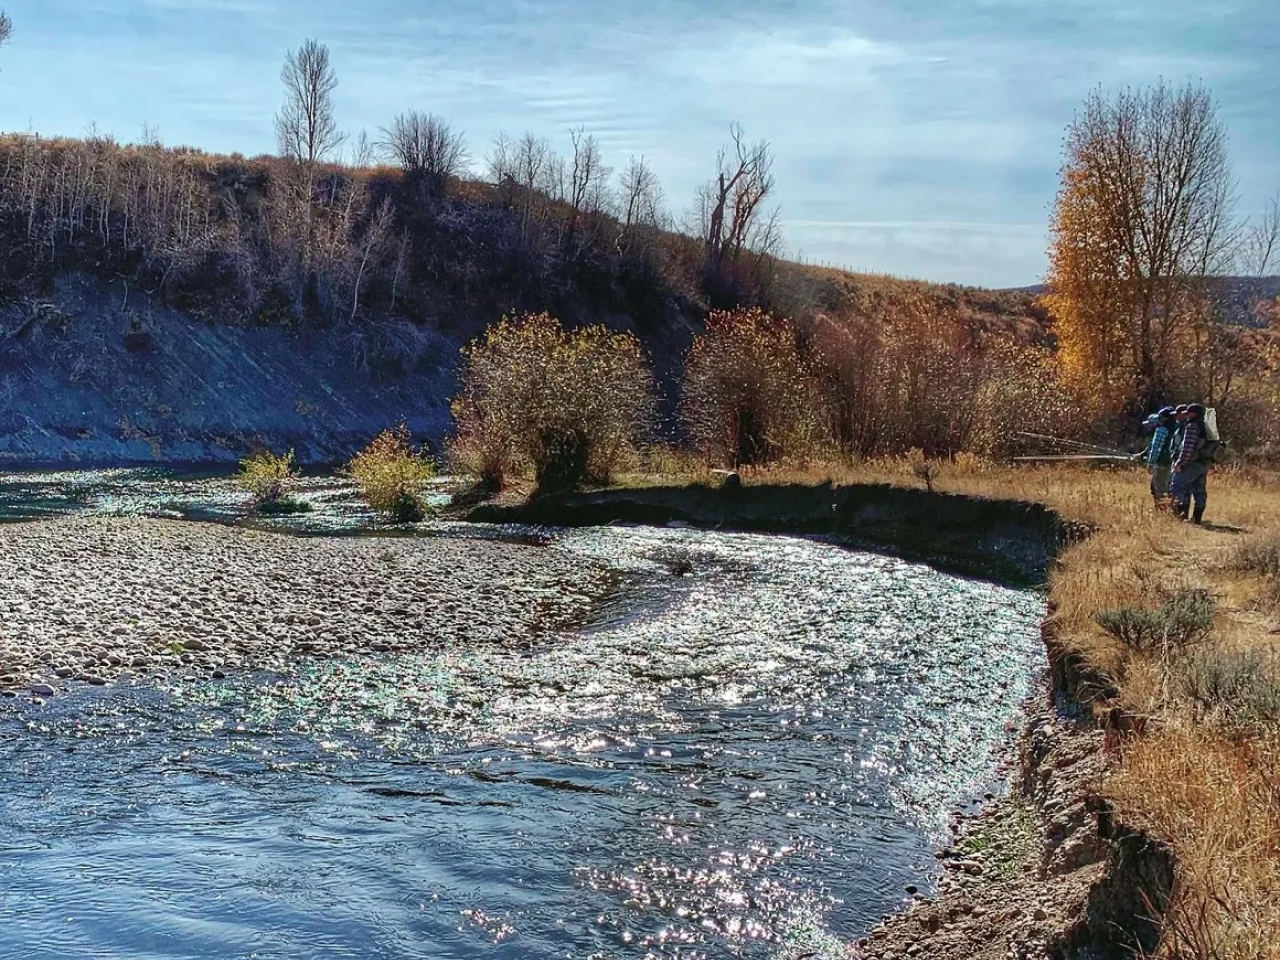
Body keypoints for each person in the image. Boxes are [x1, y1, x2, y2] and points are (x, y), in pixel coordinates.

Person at [1170, 404, 1210, 524]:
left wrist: (1180, 463)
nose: (1187, 414)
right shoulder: (1206, 428)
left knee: (1176, 485)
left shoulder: (1192, 426)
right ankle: (1196, 518)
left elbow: (1188, 447)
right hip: (1203, 463)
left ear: (1194, 414)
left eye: (1189, 412)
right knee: (1199, 490)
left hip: (1191, 463)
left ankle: (1180, 516)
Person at [1140, 406, 1177, 506]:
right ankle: (1172, 508)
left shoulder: (1162, 429)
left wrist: (1150, 463)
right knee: (1171, 487)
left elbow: (1156, 448)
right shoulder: (1178, 426)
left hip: (1162, 462)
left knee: (1159, 488)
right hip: (1175, 462)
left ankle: (1162, 510)